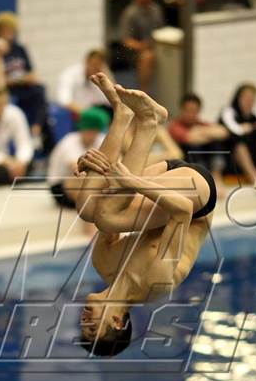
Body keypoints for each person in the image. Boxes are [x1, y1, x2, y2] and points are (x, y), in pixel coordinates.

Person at [72, 73, 217, 356]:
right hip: (196, 195)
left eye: (83, 326)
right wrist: (131, 182)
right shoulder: (156, 283)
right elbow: (182, 211)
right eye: (92, 327)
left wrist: (92, 169)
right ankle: (149, 122)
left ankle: (122, 114)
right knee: (107, 217)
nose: (84, 320)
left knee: (89, 207)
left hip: (162, 180)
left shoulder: (103, 263)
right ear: (117, 320)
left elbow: (108, 199)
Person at [0, 11, 50, 150]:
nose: (8, 33)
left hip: (24, 86)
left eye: (11, 30)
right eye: (5, 30)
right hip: (10, 89)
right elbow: (1, 80)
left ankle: (36, 128)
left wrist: (22, 79)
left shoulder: (20, 48)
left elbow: (31, 73)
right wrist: (19, 79)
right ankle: (35, 136)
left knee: (40, 90)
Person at [48, 107, 110, 211]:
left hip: (89, 184)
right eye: (89, 130)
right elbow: (76, 169)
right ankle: (90, 206)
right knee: (80, 178)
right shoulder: (69, 141)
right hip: (61, 187)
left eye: (95, 131)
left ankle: (95, 203)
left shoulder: (101, 139)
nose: (91, 134)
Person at [169, 93, 229, 197]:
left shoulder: (200, 124)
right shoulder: (175, 125)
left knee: (215, 142)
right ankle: (203, 181)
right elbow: (190, 139)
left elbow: (223, 132)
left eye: (194, 111)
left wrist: (199, 130)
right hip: (185, 163)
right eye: (188, 110)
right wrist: (207, 134)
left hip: (205, 161)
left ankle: (216, 178)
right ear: (182, 110)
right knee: (194, 146)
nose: (191, 114)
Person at [220, 83, 256, 192]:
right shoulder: (229, 111)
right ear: (238, 98)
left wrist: (250, 127)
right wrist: (249, 127)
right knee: (239, 145)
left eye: (251, 98)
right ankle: (254, 178)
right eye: (245, 97)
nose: (248, 101)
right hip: (233, 157)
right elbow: (234, 131)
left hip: (253, 155)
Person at [119, 0, 164, 92]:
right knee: (147, 57)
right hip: (136, 52)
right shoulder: (130, 13)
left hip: (156, 47)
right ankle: (144, 92)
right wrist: (142, 46)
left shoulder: (156, 9)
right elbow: (126, 40)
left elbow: (161, 31)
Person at [56, 49, 113, 115]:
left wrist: (107, 79)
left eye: (100, 65)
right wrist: (85, 114)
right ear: (86, 61)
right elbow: (64, 101)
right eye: (94, 64)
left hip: (93, 110)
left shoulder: (99, 74)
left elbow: (108, 101)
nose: (96, 68)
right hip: (73, 114)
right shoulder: (69, 75)